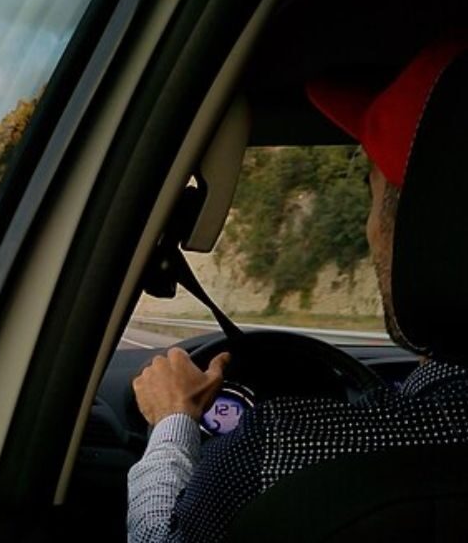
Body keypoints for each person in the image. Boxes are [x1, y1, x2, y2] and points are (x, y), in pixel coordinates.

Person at [127, 37, 468, 542]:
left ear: (432, 230)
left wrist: (173, 423)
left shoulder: (278, 452)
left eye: (372, 192)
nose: (367, 229)